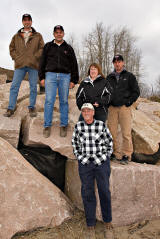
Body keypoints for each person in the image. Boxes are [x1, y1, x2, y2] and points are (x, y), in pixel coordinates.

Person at [72, 103, 114, 239]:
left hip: (101, 163)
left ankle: (108, 223)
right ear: (82, 113)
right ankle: (90, 225)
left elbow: (110, 142)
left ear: (93, 112)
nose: (86, 112)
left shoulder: (101, 125)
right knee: (87, 193)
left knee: (104, 192)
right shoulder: (78, 127)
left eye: (89, 110)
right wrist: (80, 158)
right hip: (85, 165)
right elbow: (75, 144)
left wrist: (105, 157)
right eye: (84, 111)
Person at [39, 25, 79, 138]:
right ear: (53, 34)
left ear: (63, 33)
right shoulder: (48, 46)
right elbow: (42, 62)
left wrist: (74, 80)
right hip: (50, 75)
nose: (58, 34)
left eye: (60, 32)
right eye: (56, 32)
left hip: (65, 76)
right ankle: (47, 125)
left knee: (64, 101)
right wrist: (41, 77)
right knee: (49, 101)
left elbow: (74, 64)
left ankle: (63, 125)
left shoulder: (68, 48)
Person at [4, 14, 44, 117]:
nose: (27, 22)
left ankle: (31, 108)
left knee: (33, 87)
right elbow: (11, 48)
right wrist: (16, 58)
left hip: (33, 65)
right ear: (22, 22)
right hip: (20, 65)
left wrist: (35, 57)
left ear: (31, 22)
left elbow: (42, 48)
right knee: (14, 87)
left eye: (28, 20)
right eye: (25, 20)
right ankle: (10, 108)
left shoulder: (38, 35)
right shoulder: (16, 36)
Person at [107, 54, 140, 165]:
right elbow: (105, 92)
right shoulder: (109, 77)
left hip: (124, 108)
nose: (117, 63)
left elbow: (136, 91)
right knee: (112, 132)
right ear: (113, 63)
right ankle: (115, 153)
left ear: (123, 63)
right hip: (112, 108)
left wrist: (129, 102)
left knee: (126, 132)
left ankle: (126, 154)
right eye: (115, 62)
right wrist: (107, 102)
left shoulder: (129, 76)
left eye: (119, 61)